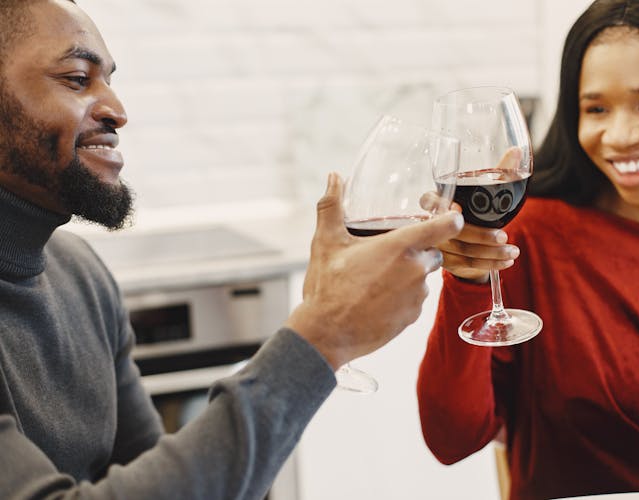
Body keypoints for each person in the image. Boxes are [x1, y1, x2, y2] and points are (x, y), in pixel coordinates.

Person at [0, 0, 464, 498]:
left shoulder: (81, 274)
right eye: (76, 78)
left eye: (109, 80)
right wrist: (323, 333)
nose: (117, 110)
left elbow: (164, 476)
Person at [417, 0, 639, 499]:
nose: (618, 136)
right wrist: (464, 282)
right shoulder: (530, 240)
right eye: (595, 109)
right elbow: (452, 439)